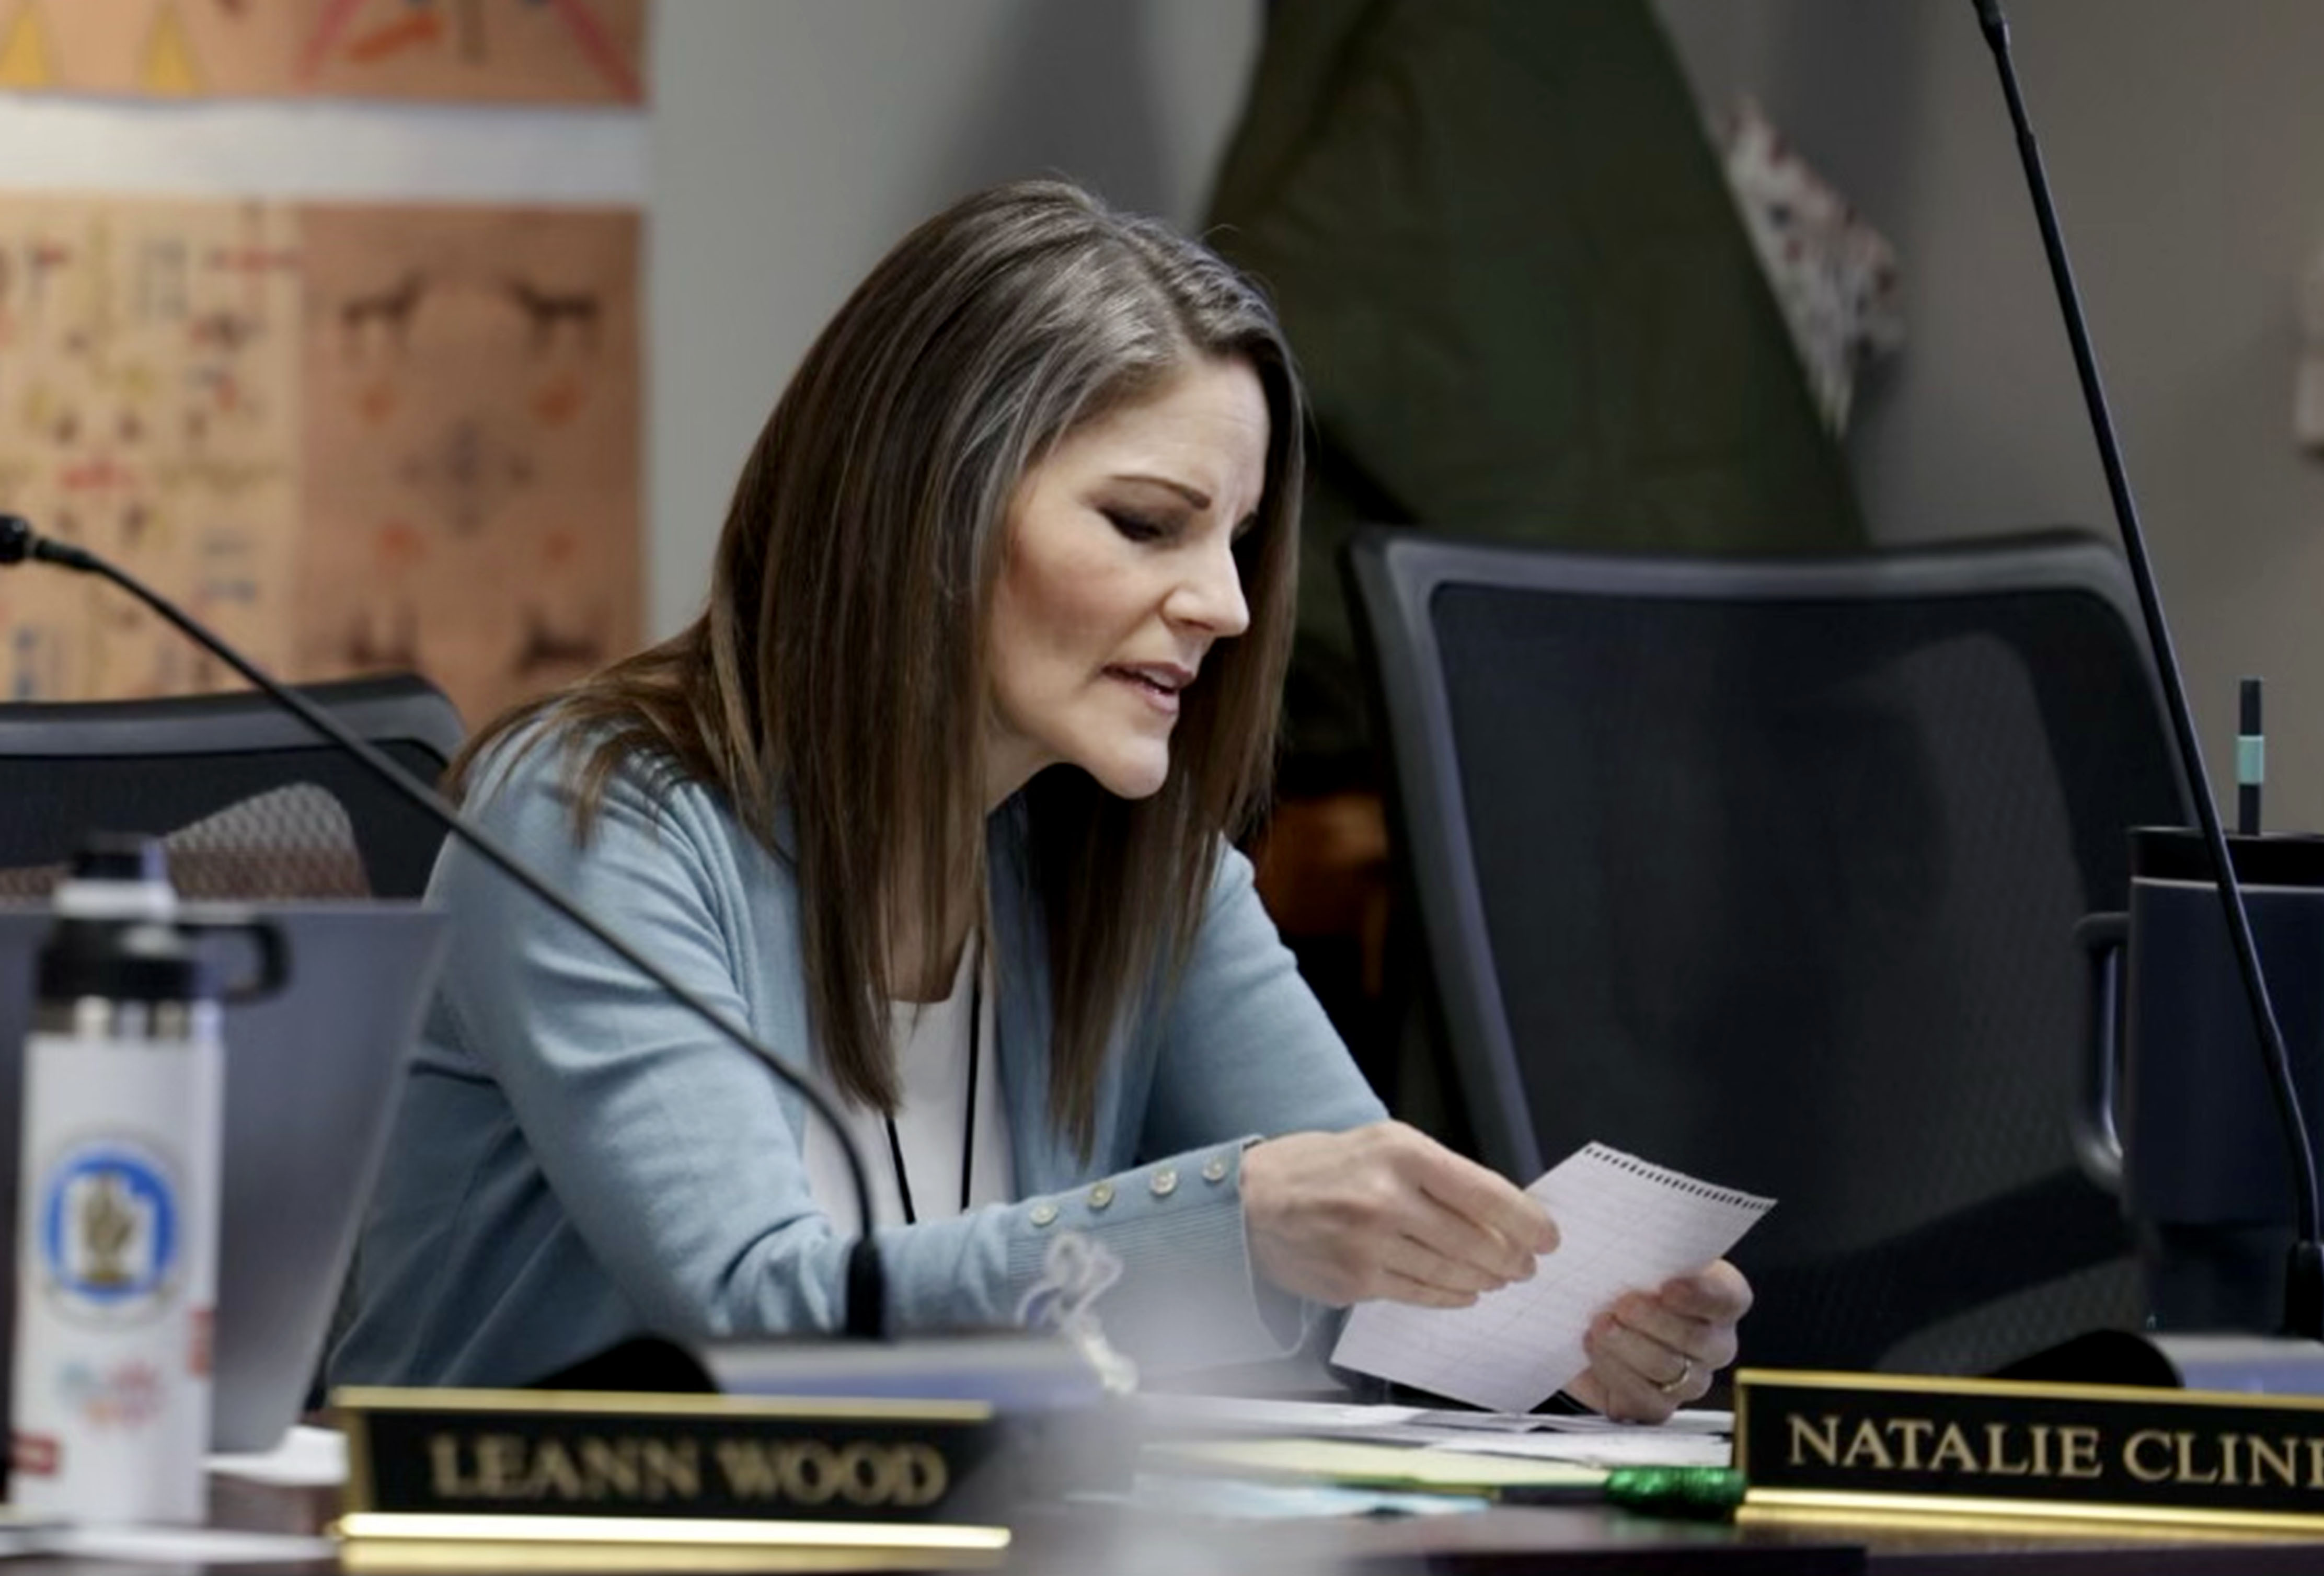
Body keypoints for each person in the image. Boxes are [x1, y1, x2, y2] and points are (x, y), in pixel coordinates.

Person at [326, 180, 1748, 1420]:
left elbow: (1360, 1260)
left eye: (1240, 541)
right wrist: (1228, 1220)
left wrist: (1560, 1326)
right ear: (921, 504)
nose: (1225, 606)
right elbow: (752, 1317)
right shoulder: (588, 819)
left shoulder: (1137, 860)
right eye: (1146, 525)